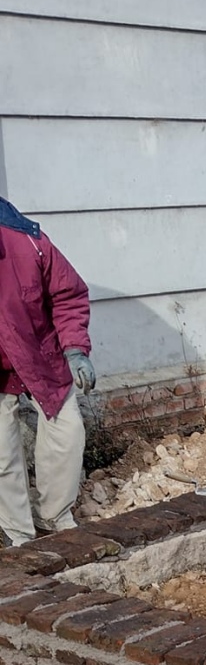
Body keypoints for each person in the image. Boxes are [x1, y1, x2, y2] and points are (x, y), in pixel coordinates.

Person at [0, 196, 95, 547]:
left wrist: (75, 349)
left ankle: (55, 514)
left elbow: (68, 294)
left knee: (68, 431)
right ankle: (18, 534)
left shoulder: (28, 242)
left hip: (39, 356)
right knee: (1, 453)